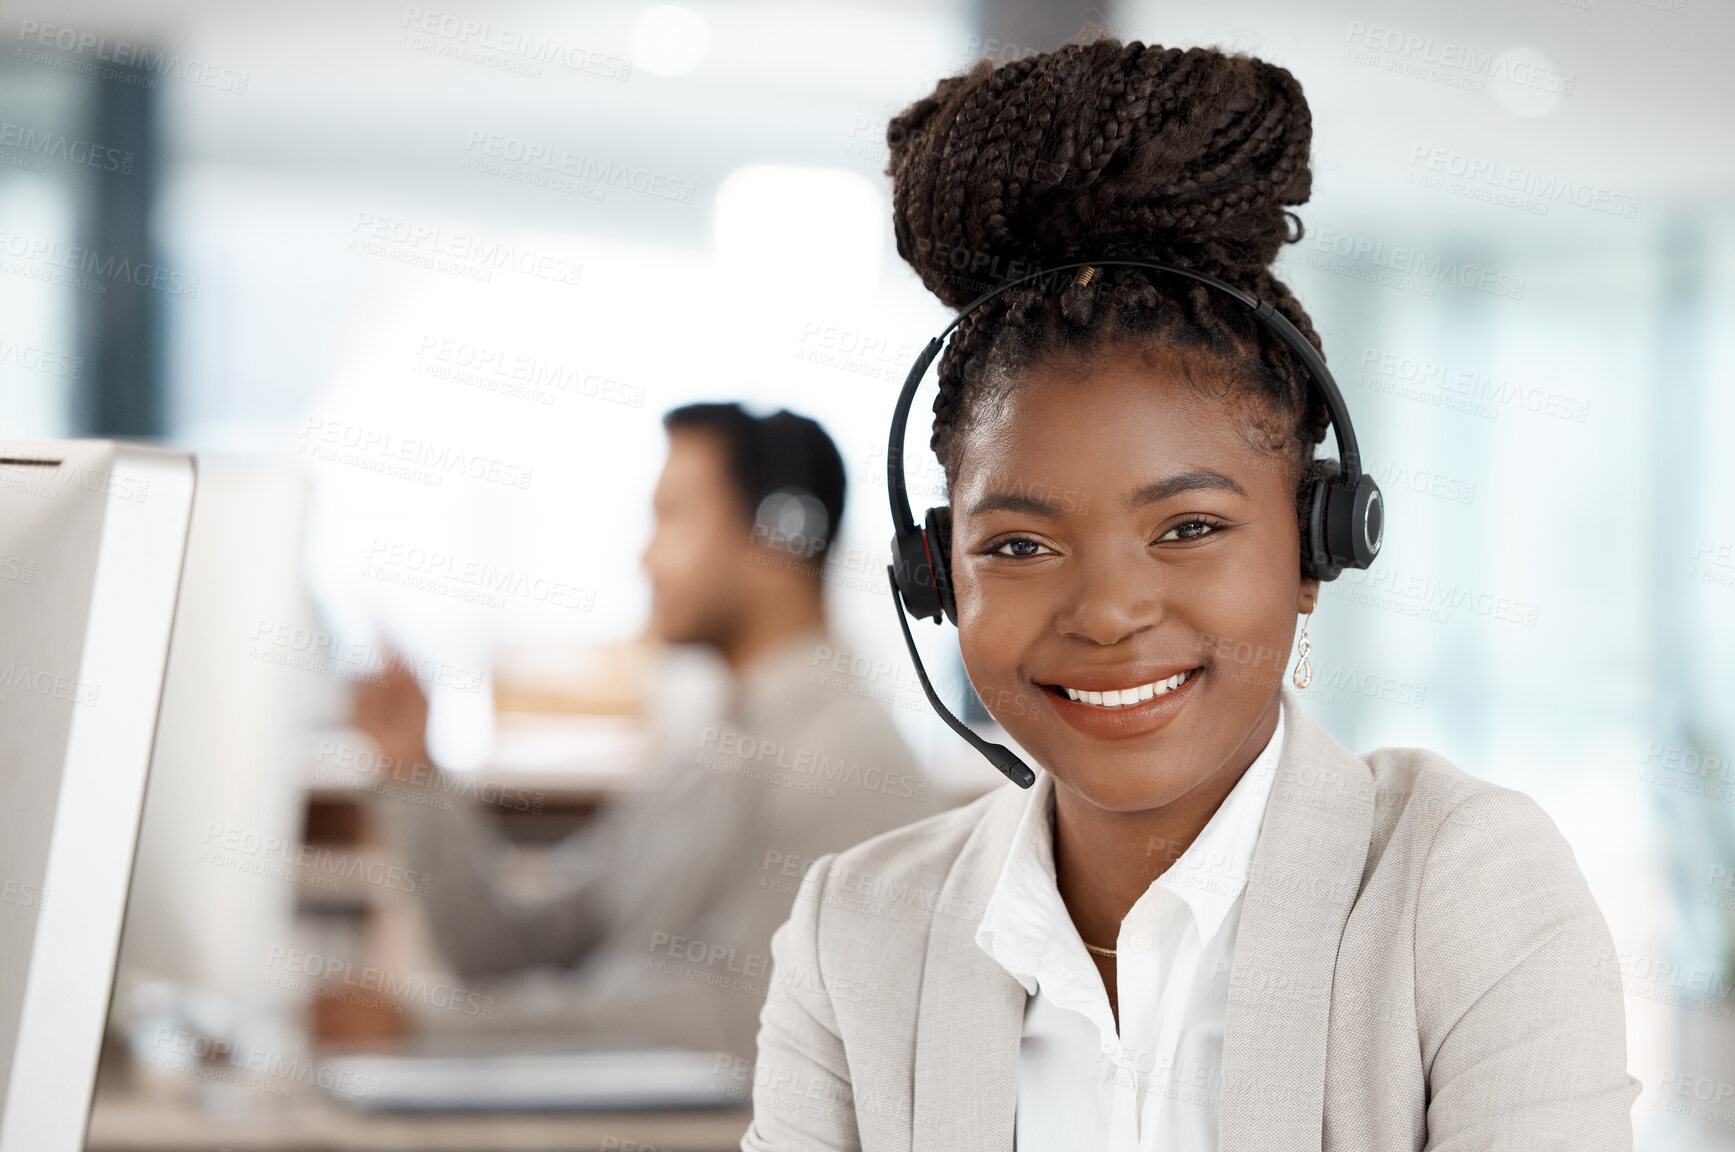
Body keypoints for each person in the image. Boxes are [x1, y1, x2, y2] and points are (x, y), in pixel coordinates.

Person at [741, 37, 1641, 1151]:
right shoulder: (857, 929)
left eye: (1190, 528)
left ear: (1316, 548)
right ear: (934, 577)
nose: (1108, 613)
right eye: (1019, 547)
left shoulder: (1461, 891)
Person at [354, 402, 943, 1066]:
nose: (645, 556)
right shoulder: (709, 751)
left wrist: (424, 1032)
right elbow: (513, 951)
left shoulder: (847, 760)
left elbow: (735, 1022)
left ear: (781, 532)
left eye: (673, 516)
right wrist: (413, 776)